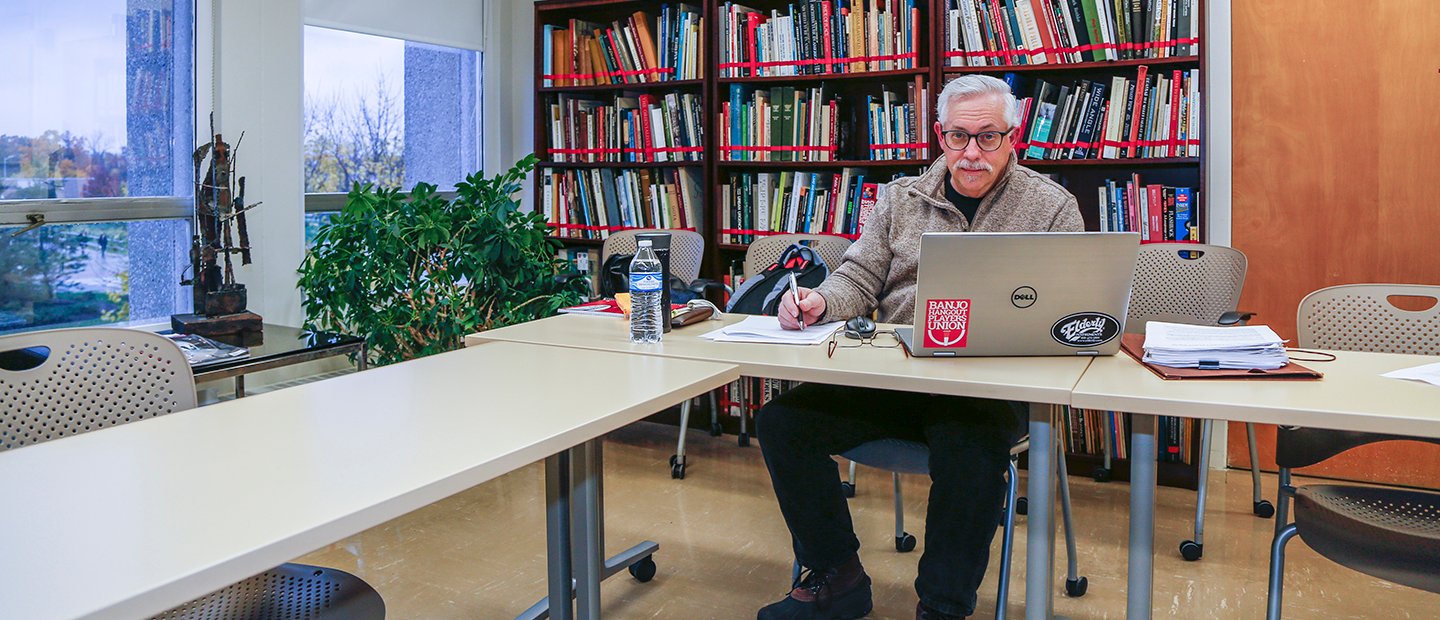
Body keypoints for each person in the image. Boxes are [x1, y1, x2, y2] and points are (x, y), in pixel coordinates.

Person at [755, 74, 1083, 620]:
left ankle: (942, 606)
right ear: (939, 135)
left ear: (1014, 137)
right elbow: (858, 279)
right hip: (898, 375)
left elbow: (1073, 311)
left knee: (971, 454)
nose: (972, 152)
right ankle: (838, 576)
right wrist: (819, 300)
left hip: (987, 389)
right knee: (782, 424)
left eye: (988, 137)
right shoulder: (900, 198)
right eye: (958, 136)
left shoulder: (1051, 207)